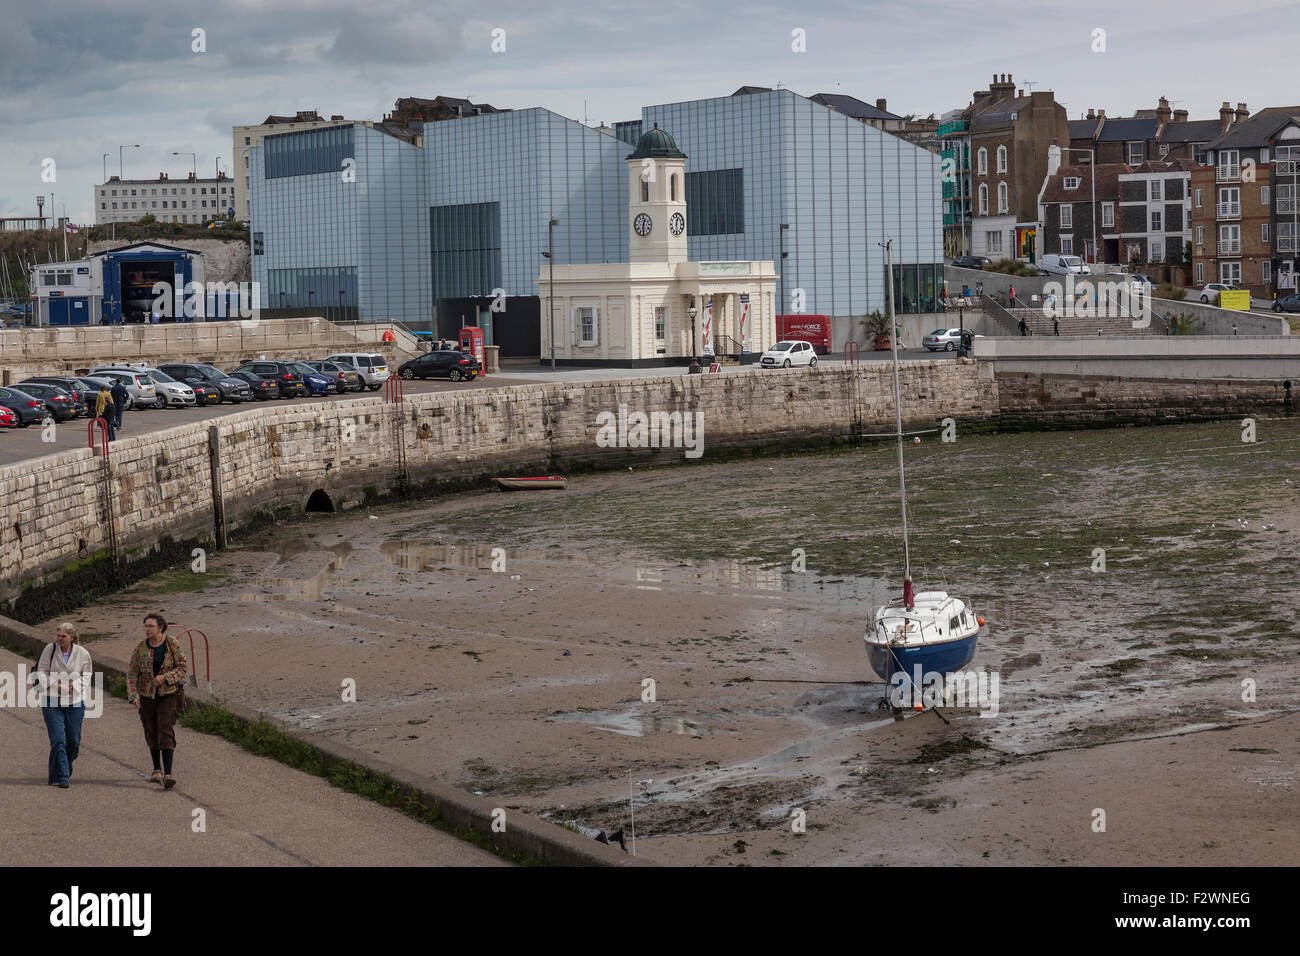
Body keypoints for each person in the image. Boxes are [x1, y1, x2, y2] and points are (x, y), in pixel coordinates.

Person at [127, 612, 188, 789]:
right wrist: (133, 696)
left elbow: (183, 667)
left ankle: (168, 774)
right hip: (146, 696)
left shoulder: (172, 644)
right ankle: (156, 769)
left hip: (168, 694)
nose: (147, 629)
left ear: (160, 627)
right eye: (145, 626)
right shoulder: (140, 648)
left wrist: (166, 677)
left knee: (165, 730)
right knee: (151, 730)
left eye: (150, 626)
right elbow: (131, 672)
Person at [38, 623, 93, 789]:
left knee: (73, 742)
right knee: (58, 740)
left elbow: (87, 675)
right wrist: (58, 685)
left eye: (63, 636)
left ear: (72, 637)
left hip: (75, 702)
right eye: (58, 635)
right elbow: (41, 671)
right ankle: (63, 776)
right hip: (51, 700)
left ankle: (65, 764)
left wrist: (73, 687)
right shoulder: (50, 649)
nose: (59, 639)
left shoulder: (83, 654)